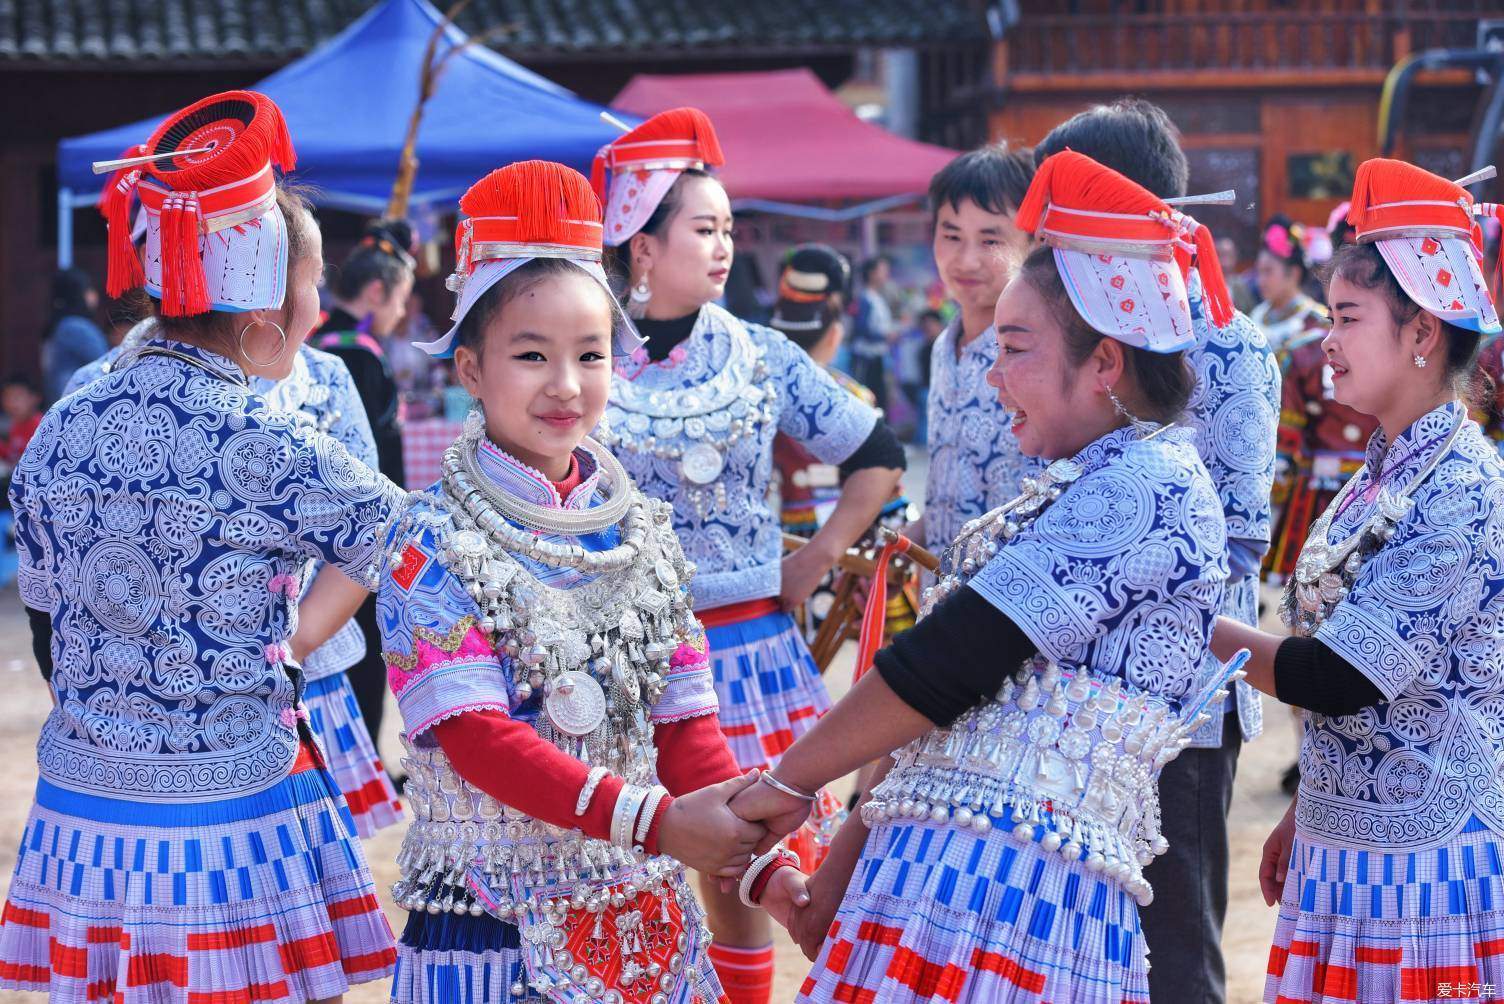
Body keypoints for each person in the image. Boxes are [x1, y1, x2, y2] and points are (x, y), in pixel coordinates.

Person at [729, 151, 1241, 1003]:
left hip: (1013, 894)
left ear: (1106, 363)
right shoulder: (1096, 477)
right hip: (962, 871)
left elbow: (951, 660)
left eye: (1014, 348)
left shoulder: (1145, 488)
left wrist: (784, 785)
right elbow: (951, 695)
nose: (995, 374)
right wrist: (843, 848)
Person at [0, 90, 401, 1002]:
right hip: (232, 803)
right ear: (267, 308)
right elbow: (393, 539)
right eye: (310, 288)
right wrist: (293, 645)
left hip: (88, 805)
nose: (314, 315)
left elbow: (47, 620)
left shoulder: (64, 421)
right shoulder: (268, 433)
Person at [376, 158, 807, 1004]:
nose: (566, 386)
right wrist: (659, 822)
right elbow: (478, 739)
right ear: (469, 370)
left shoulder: (639, 532)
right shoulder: (428, 541)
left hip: (640, 915)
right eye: (531, 355)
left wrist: (768, 869)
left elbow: (686, 734)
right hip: (490, 925)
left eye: (591, 355)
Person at [593, 107, 905, 1004]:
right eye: (704, 228)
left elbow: (877, 454)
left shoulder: (761, 354)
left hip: (749, 649)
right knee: (652, 869)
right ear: (640, 245)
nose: (725, 246)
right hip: (628, 657)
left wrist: (815, 559)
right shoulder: (586, 351)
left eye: (730, 228)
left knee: (764, 862)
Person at [1209, 158, 1504, 1004]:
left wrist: (1190, 621)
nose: (1326, 342)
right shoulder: (1378, 474)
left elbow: (1337, 673)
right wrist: (1315, 809)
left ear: (1422, 333)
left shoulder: (1462, 486)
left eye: (1347, 317)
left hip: (1428, 860)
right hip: (1350, 847)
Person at [1032, 96, 1282, 1004]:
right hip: (1073, 691)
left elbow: (1240, 540)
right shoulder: (1069, 334)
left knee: (1174, 949)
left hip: (1183, 704)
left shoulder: (1228, 345)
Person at [769, 244, 915, 645]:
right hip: (849, 533)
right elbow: (889, 486)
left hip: (785, 540)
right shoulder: (851, 398)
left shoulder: (759, 394)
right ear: (835, 334)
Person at [313, 218, 417, 764]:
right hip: (357, 532)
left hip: (331, 529)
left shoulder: (324, 346)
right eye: (401, 297)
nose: (402, 311)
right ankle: (363, 761)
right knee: (366, 648)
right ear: (377, 292)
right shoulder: (353, 355)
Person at [909, 142, 1037, 564]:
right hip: (942, 593)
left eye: (990, 239)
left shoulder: (1044, 353)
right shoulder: (943, 348)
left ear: (1032, 241)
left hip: (1012, 601)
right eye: (951, 236)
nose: (965, 260)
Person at [1251, 215, 1329, 359]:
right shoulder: (1257, 315)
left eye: (1268, 271)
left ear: (1293, 273)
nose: (1260, 281)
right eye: (1259, 272)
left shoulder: (1316, 319)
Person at [40, 267, 109, 404]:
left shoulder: (59, 326)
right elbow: (107, 367)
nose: (94, 295)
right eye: (89, 289)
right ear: (78, 294)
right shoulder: (77, 327)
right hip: (79, 406)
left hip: (62, 405)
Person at [849, 256, 894, 410]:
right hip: (866, 359)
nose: (886, 274)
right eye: (883, 270)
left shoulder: (877, 298)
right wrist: (884, 336)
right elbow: (861, 329)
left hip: (877, 358)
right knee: (868, 400)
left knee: (881, 400)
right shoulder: (865, 299)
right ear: (871, 273)